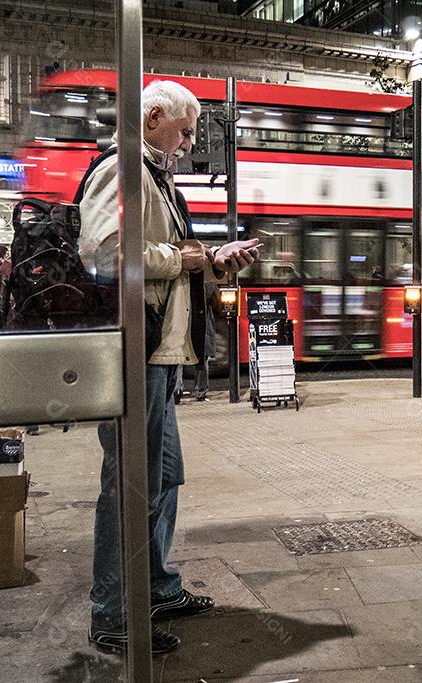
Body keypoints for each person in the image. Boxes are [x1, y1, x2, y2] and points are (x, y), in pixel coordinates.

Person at [78, 79, 259, 655]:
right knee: (130, 486)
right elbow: (105, 253)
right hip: (136, 351)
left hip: (162, 352)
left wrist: (211, 259)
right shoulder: (120, 169)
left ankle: (154, 585)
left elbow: (163, 255)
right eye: (185, 130)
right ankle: (114, 615)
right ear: (153, 116)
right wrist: (185, 256)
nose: (189, 143)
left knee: (164, 476)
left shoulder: (157, 175)